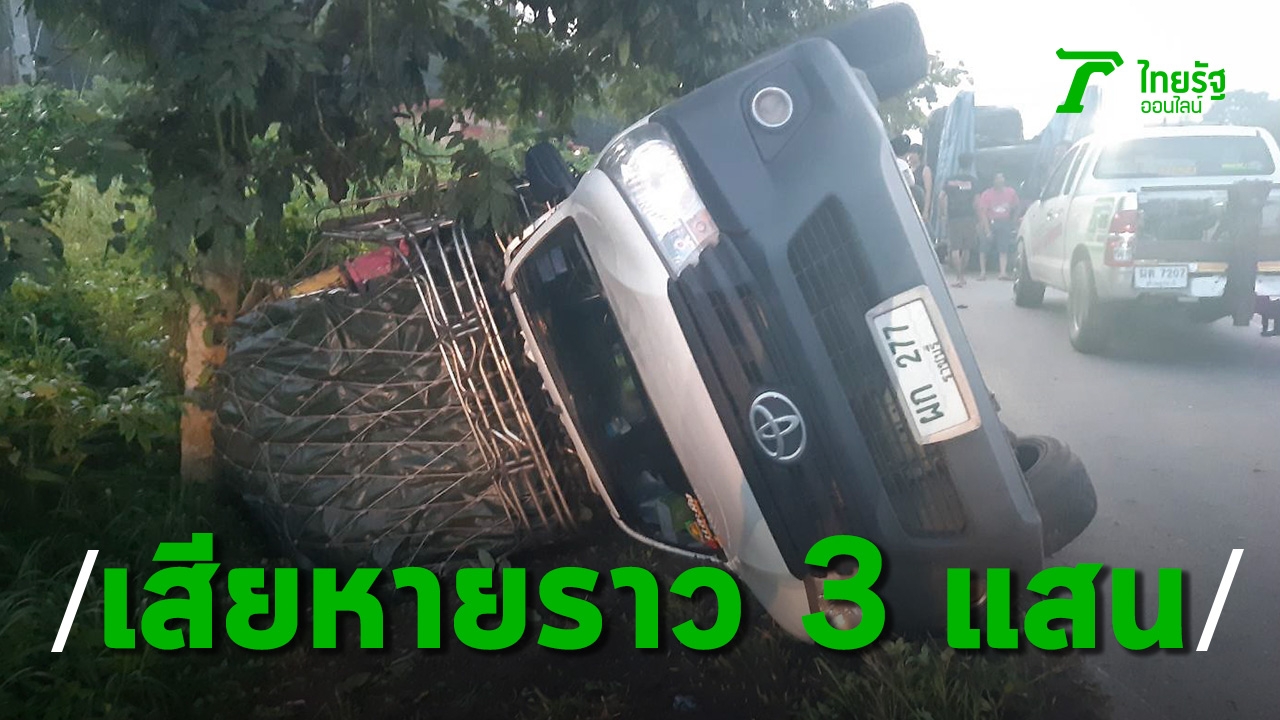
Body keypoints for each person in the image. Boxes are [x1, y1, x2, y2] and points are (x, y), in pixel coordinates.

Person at [939, 153, 980, 288]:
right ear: (970, 164)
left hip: (953, 216)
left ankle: (958, 277)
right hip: (969, 216)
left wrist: (943, 214)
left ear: (959, 163)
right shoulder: (973, 181)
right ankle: (962, 276)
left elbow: (941, 197)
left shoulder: (950, 180)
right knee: (966, 247)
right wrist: (978, 218)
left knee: (955, 248)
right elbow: (977, 202)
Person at [978, 172, 1020, 281]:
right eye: (998, 178)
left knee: (1003, 248)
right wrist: (987, 230)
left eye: (1002, 178)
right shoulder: (987, 194)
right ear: (994, 181)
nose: (1001, 181)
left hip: (1004, 222)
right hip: (990, 222)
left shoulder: (1011, 192)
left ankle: (1002, 272)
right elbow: (983, 213)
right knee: (984, 248)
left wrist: (1013, 221)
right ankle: (983, 272)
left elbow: (1017, 206)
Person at [907, 143, 933, 220]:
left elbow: (928, 192)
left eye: (913, 153)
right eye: (909, 152)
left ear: (919, 155)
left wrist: (926, 211)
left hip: (920, 206)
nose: (910, 155)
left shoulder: (925, 170)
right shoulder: (907, 170)